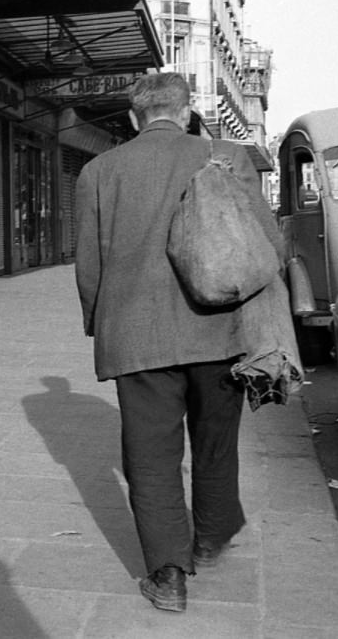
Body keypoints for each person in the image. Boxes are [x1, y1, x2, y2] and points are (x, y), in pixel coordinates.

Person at [74, 72, 264, 613]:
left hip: (137, 337)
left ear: (134, 117)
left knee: (151, 457)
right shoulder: (227, 157)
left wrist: (99, 322)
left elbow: (90, 267)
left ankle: (169, 576)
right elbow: (263, 247)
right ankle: (211, 537)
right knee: (216, 444)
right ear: (187, 112)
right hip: (219, 330)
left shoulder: (98, 171)